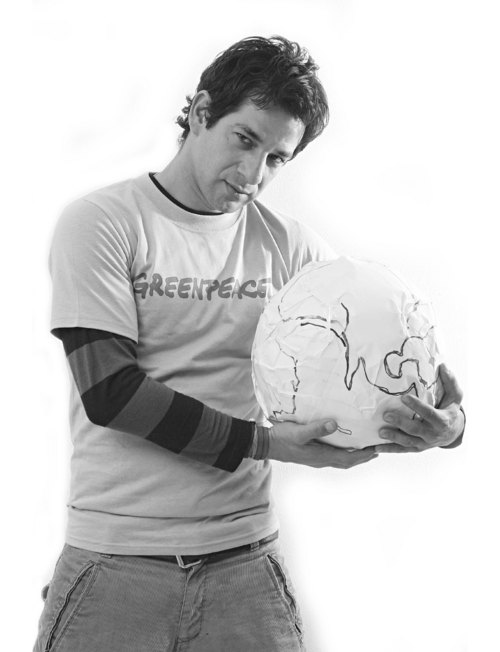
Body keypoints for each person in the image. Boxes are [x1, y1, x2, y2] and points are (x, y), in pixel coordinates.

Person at [33, 35, 465, 652]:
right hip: (114, 562)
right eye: (244, 140)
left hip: (244, 561)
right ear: (201, 112)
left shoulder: (291, 247)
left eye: (277, 158)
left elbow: (370, 363)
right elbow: (110, 393)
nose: (253, 175)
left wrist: (443, 425)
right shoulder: (103, 223)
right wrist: (269, 444)